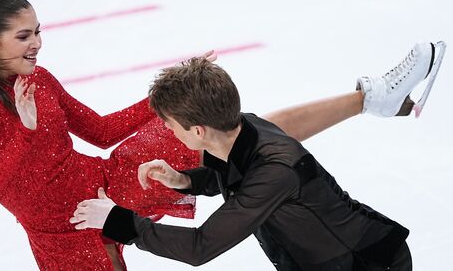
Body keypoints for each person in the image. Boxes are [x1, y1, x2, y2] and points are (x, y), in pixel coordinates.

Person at [0, 0, 443, 270]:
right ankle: (373, 99)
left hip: (110, 183)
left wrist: (168, 96)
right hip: (59, 233)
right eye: (23, 36)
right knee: (238, 143)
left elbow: (100, 132)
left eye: (39, 32)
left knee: (237, 134)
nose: (37, 44)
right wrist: (27, 135)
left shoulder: (44, 79)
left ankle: (370, 97)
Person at [70, 45, 445, 270]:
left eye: (170, 125)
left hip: (367, 264)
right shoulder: (240, 129)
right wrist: (183, 180)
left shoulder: (275, 173)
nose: (168, 132)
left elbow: (201, 247)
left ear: (197, 130)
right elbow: (227, 175)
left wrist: (117, 221)